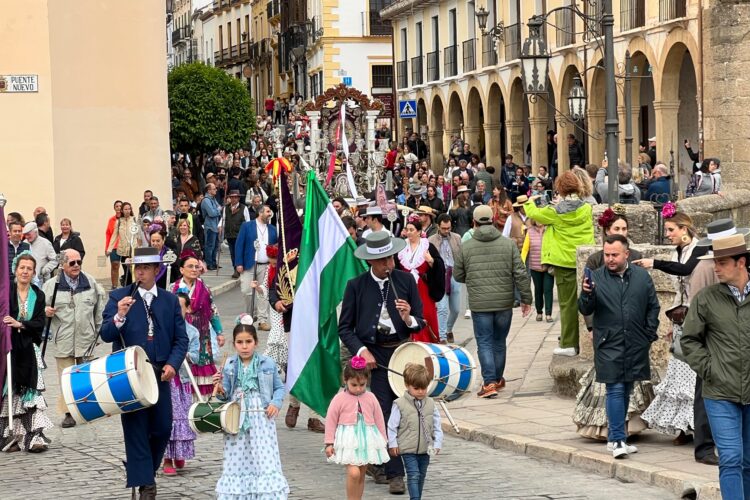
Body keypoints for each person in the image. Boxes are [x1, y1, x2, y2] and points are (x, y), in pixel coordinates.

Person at [339, 232, 426, 494]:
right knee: (381, 411)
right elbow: (345, 328)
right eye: (384, 261)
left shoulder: (405, 280)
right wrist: (363, 351)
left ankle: (394, 470)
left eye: (390, 258)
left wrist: (409, 318)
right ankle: (386, 466)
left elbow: (421, 321)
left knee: (403, 410)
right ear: (371, 262)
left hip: (401, 352)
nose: (390, 264)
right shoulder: (356, 286)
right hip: (373, 356)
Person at [100, 247, 188, 498]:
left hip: (160, 373)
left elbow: (181, 339)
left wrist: (172, 363)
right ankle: (147, 484)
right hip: (129, 374)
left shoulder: (169, 300)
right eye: (137, 267)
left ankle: (144, 470)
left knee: (162, 427)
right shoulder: (119, 296)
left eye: (146, 267)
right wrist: (119, 315)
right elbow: (106, 334)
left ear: (157, 271)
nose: (140, 272)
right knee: (136, 428)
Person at [574, 208, 657, 442]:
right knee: (615, 388)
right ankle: (616, 439)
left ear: (626, 253)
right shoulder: (596, 270)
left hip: (635, 341)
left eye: (624, 228)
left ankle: (623, 433)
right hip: (608, 340)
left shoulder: (639, 272)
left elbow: (652, 305)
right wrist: (592, 326)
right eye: (616, 228)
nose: (610, 258)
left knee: (628, 388)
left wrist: (648, 334)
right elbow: (585, 306)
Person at [633, 207, 709, 447]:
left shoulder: (700, 248)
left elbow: (685, 271)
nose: (667, 234)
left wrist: (654, 262)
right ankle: (682, 427)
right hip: (681, 318)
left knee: (692, 373)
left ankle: (696, 426)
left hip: (697, 317)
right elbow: (679, 288)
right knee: (677, 371)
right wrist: (671, 320)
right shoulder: (679, 250)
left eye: (670, 230)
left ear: (684, 229)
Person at [682, 234, 750, 498]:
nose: (715, 268)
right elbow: (689, 340)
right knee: (731, 457)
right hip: (720, 393)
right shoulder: (706, 299)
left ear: (741, 262)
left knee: (747, 460)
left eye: (721, 262)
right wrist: (710, 369)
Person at [454, 205, 532, 398]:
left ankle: (489, 382)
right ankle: (497, 379)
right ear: (492, 219)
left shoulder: (467, 247)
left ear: (474, 223)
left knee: (485, 342)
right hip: (504, 302)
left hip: (480, 304)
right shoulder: (508, 244)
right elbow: (520, 273)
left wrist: (473, 279)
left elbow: (458, 275)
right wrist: (526, 299)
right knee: (499, 341)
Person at [213, 323, 289, 499]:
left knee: (264, 455)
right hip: (236, 416)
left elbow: (279, 387)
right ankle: (240, 493)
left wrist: (275, 403)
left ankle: (265, 492)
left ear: (256, 342)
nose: (244, 346)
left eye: (248, 341)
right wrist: (220, 388)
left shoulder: (267, 363)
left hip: (261, 416)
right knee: (237, 455)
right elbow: (224, 396)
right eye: (240, 342)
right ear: (234, 344)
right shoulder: (230, 365)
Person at [524, 172, 595, 356]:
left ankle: (569, 344)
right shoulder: (586, 208)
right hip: (584, 260)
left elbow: (533, 213)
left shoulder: (555, 211)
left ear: (559, 189)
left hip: (564, 262)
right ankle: (581, 339)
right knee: (586, 302)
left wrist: (531, 200)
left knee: (567, 304)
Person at [43, 249, 106, 428]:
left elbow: (99, 308)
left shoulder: (90, 282)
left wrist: (98, 333)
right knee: (66, 377)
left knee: (85, 376)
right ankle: (69, 412)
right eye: (72, 263)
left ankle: (86, 409)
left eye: (79, 262)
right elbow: (39, 306)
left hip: (86, 338)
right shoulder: (51, 285)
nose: (77, 265)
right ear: (63, 265)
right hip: (63, 339)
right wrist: (44, 311)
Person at [0, 253, 51, 453]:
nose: (25, 271)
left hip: (29, 349)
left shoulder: (38, 295)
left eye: (29, 268)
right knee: (9, 391)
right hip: (9, 348)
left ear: (33, 272)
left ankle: (34, 437)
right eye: (22, 267)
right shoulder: (6, 293)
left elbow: (39, 323)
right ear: (15, 269)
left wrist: (20, 324)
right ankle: (10, 435)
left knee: (31, 393)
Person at [325, 356, 389, 500]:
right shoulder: (339, 399)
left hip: (367, 438)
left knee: (361, 473)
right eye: (354, 385)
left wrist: (383, 439)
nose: (359, 388)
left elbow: (379, 418)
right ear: (345, 380)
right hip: (348, 439)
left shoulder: (371, 397)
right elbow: (331, 420)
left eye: (363, 384)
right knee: (353, 473)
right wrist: (329, 442)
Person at [170, 253, 224, 396]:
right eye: (190, 266)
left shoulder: (205, 288)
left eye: (196, 267)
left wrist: (219, 332)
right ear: (181, 270)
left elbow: (213, 310)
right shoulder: (173, 288)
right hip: (181, 331)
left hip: (202, 333)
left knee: (201, 367)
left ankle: (201, 401)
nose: (194, 269)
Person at [387, 363, 443, 500]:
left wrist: (438, 443)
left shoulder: (430, 403)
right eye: (416, 388)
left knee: (422, 475)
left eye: (423, 388)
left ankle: (418, 496)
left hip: (425, 448)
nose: (420, 392)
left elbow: (437, 425)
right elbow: (392, 426)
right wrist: (393, 443)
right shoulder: (399, 404)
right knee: (413, 474)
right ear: (407, 385)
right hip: (407, 448)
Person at [162, 292, 200, 477]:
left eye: (181, 307)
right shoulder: (163, 329)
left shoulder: (192, 332)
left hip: (183, 381)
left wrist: (183, 354)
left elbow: (196, 356)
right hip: (166, 381)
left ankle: (180, 453)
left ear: (187, 309)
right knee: (168, 419)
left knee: (183, 419)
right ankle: (167, 458)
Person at [396, 217, 445, 343]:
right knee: (407, 314)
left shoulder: (427, 246)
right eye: (407, 230)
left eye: (412, 230)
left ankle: (427, 344)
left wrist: (432, 261)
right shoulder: (401, 246)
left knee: (425, 314)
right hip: (405, 289)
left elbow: (440, 267)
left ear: (419, 231)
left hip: (423, 289)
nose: (409, 232)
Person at [235, 205, 278, 331]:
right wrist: (239, 263)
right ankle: (250, 316)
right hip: (249, 264)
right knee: (247, 291)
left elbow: (276, 246)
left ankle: (262, 320)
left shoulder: (273, 229)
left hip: (266, 266)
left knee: (263, 292)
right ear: (260, 212)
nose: (270, 214)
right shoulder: (247, 226)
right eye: (268, 211)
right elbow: (239, 244)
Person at [428, 214, 462, 343]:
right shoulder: (431, 240)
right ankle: (442, 337)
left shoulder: (457, 238)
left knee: (456, 309)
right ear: (438, 226)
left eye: (448, 228)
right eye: (444, 228)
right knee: (442, 308)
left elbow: (462, 256)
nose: (447, 231)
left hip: (454, 275)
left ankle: (448, 329)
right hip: (440, 276)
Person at [526, 217, 554, 323]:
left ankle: (548, 314)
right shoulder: (530, 231)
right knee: (538, 290)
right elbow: (525, 249)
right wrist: (520, 262)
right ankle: (539, 312)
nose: (539, 220)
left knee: (548, 290)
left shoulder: (549, 230)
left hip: (548, 265)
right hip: (535, 266)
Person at [107, 202, 139, 286]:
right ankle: (128, 287)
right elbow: (114, 236)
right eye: (125, 209)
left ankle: (135, 286)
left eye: (129, 209)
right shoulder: (119, 222)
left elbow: (139, 235)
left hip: (133, 250)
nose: (127, 211)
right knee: (127, 270)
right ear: (122, 210)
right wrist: (109, 249)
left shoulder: (135, 220)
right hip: (123, 251)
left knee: (134, 269)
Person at [223, 189, 252, 278]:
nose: (234, 199)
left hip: (240, 234)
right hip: (229, 234)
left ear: (238, 198)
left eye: (236, 197)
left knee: (239, 252)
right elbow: (223, 219)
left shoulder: (244, 208)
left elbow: (248, 221)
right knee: (232, 253)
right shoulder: (226, 208)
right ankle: (235, 268)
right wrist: (220, 226)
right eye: (232, 197)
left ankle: (239, 268)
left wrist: (248, 233)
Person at [201, 183, 222, 270]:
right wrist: (218, 210)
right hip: (210, 226)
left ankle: (213, 262)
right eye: (214, 189)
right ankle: (209, 263)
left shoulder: (213, 199)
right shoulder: (206, 200)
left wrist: (218, 209)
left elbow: (219, 208)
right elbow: (212, 213)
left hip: (216, 226)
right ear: (209, 190)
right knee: (210, 245)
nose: (216, 190)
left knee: (216, 245)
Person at [105, 201, 123, 289]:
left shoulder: (127, 218)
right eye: (117, 206)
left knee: (127, 266)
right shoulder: (111, 220)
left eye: (120, 206)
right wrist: (107, 247)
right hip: (114, 247)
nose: (119, 208)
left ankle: (128, 285)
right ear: (114, 208)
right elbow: (108, 234)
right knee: (115, 265)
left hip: (125, 246)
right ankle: (114, 285)